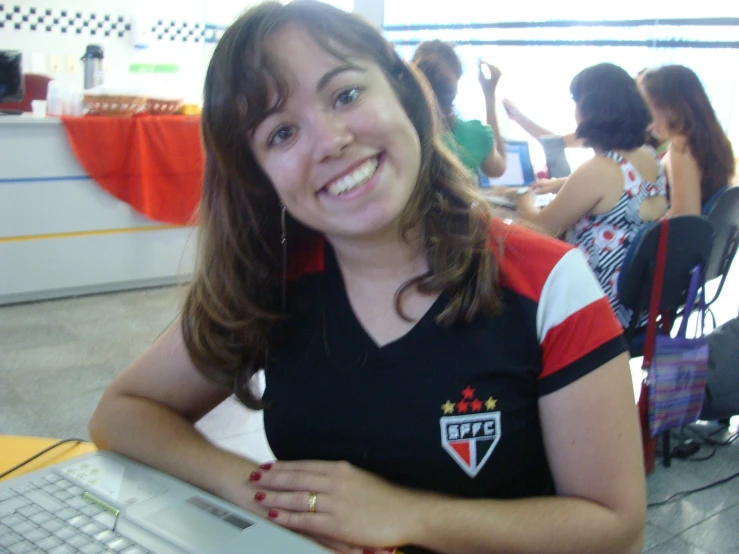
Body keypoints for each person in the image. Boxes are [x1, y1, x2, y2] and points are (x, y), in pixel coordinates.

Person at [89, 3, 647, 553]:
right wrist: (255, 490)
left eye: (346, 94)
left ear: (402, 94)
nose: (330, 140)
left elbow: (615, 528)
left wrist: (407, 516)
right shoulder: (271, 281)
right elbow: (123, 413)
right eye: (281, 133)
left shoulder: (550, 286)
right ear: (257, 176)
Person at [490, 63, 668, 328]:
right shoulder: (648, 156)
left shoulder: (600, 169)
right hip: (640, 304)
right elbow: (617, 194)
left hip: (598, 306)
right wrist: (564, 183)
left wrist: (522, 194)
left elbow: (538, 229)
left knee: (504, 272)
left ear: (590, 110)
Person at [637, 65, 735, 215]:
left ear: (669, 106)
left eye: (647, 107)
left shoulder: (681, 145)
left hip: (680, 236)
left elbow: (684, 216)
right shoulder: (712, 141)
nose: (645, 118)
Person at [412, 40, 507, 178]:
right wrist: (489, 95)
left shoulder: (396, 134)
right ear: (453, 87)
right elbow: (497, 169)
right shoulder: (476, 135)